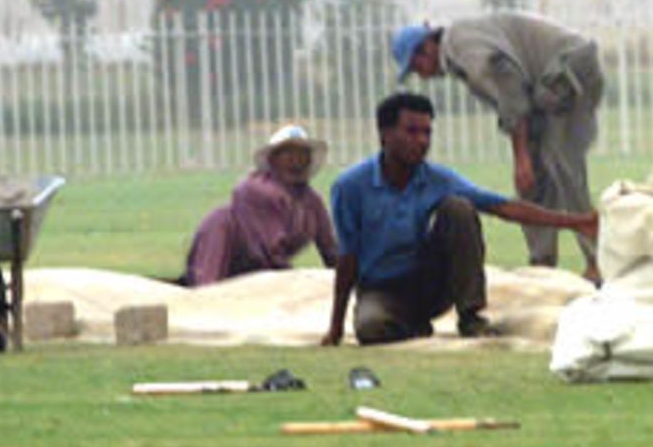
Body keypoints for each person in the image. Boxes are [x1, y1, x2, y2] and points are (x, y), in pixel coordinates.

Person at [321, 92, 599, 346]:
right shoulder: (350, 187)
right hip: (381, 289)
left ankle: (471, 317)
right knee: (371, 329)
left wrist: (576, 222)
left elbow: (503, 207)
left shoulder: (437, 179)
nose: (422, 141)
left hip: (429, 284)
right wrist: (335, 329)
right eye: (412, 131)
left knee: (458, 208)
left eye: (427, 133)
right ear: (385, 134)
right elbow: (348, 259)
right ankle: (412, 325)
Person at [391, 12, 604, 278]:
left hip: (567, 67)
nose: (421, 76)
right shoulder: (460, 47)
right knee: (535, 180)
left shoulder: (463, 48)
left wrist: (521, 157)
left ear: (426, 49)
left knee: (562, 166)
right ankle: (542, 264)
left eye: (416, 66)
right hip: (547, 80)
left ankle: (598, 260)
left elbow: (509, 88)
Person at [184, 125, 337, 286]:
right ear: (274, 159)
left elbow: (330, 249)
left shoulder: (312, 202)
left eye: (301, 155)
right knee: (209, 290)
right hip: (223, 244)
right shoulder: (256, 190)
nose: (296, 161)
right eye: (289, 155)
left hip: (259, 266)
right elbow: (271, 251)